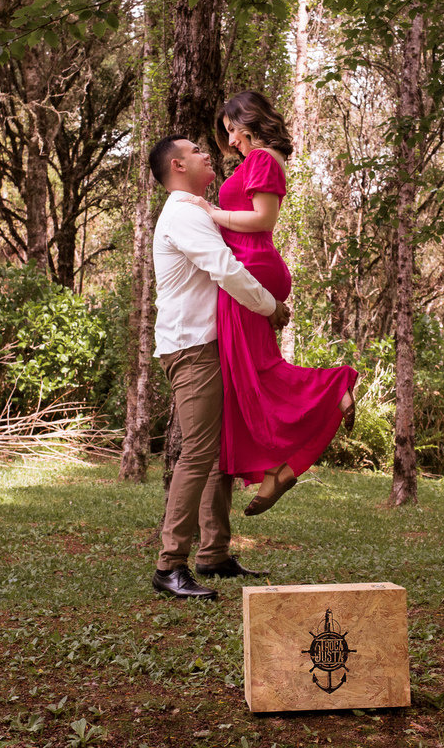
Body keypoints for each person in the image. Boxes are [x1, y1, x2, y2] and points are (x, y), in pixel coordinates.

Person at [188, 90, 358, 517]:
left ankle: (334, 387)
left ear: (251, 122)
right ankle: (275, 470)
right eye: (227, 133)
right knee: (251, 371)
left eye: (234, 130)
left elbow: (264, 219)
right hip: (251, 264)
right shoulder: (259, 160)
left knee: (253, 371)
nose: (231, 141)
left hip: (249, 265)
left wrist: (211, 212)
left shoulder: (262, 159)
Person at [147, 134, 291, 601]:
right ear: (177, 165)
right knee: (198, 452)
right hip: (192, 348)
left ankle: (213, 553)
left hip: (210, 345)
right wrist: (269, 306)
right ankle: (170, 566)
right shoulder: (183, 214)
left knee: (215, 451)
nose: (207, 152)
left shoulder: (198, 212)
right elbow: (225, 269)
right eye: (195, 151)